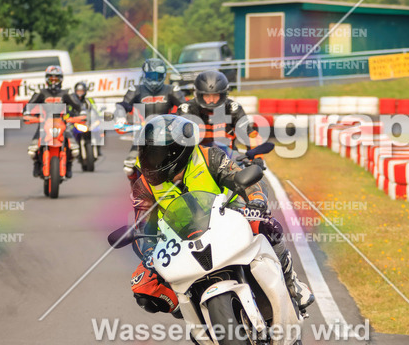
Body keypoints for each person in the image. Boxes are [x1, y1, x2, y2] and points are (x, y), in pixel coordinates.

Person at [127, 114, 314, 316]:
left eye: (155, 154)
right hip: (181, 238)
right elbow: (142, 224)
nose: (149, 160)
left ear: (175, 152)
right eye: (146, 152)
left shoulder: (209, 157)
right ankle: (190, 309)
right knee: (142, 286)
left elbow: (247, 180)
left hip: (227, 217)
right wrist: (148, 252)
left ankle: (291, 281)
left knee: (265, 224)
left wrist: (256, 201)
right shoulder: (144, 185)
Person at [115, 59, 184, 182]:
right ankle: (135, 187)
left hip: (167, 135)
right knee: (129, 167)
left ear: (163, 76)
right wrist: (120, 117)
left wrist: (182, 120)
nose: (154, 80)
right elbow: (123, 105)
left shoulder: (172, 90)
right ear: (144, 75)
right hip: (141, 135)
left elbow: (185, 107)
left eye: (157, 76)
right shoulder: (135, 89)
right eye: (151, 76)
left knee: (181, 165)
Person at [177, 69, 259, 154]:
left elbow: (250, 135)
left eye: (215, 95)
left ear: (223, 94)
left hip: (228, 160)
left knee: (254, 166)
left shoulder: (233, 109)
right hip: (196, 159)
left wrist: (256, 156)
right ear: (199, 95)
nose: (211, 100)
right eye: (207, 96)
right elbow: (177, 138)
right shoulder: (188, 109)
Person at [26, 65, 82, 179]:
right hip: (44, 123)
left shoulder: (66, 94)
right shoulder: (41, 93)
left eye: (56, 78)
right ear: (46, 79)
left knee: (75, 149)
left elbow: (79, 106)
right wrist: (27, 114)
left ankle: (69, 165)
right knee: (32, 150)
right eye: (51, 78)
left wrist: (81, 114)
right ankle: (37, 164)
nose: (53, 81)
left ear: (61, 79)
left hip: (61, 123)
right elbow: (28, 106)